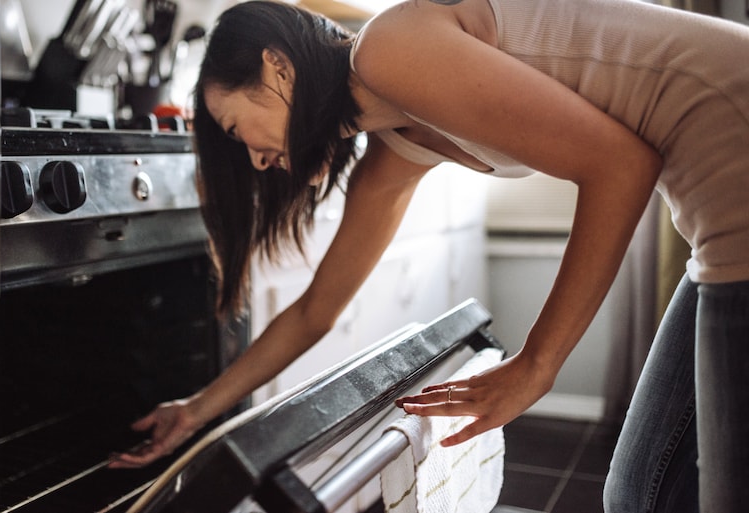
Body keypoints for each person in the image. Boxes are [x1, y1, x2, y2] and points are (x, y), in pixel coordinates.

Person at [109, 0, 749, 510]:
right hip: (717, 213)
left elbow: (619, 165)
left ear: (277, 68)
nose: (253, 159)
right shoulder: (394, 141)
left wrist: (535, 365)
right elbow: (315, 312)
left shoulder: (388, 49)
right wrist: (196, 412)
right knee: (638, 492)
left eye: (234, 129)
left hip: (736, 169)